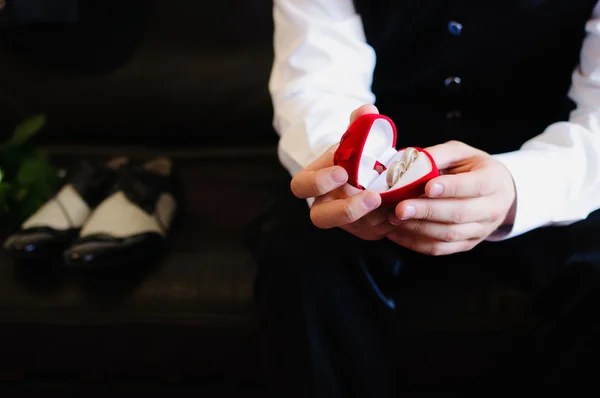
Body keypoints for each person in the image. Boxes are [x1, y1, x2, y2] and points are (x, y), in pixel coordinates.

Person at [250, 0, 600, 396]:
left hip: (550, 161)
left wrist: (521, 184)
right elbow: (317, 81)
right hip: (381, 167)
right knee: (298, 258)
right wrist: (348, 171)